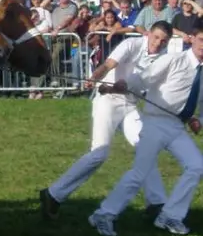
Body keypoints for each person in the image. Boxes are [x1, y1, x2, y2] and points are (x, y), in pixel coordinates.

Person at [40, 21, 172, 219]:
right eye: (156, 37)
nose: (158, 43)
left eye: (164, 41)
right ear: (149, 35)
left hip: (130, 105)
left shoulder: (163, 58)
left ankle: (156, 203)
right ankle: (53, 194)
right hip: (108, 101)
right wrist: (94, 77)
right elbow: (109, 64)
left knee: (146, 147)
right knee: (99, 154)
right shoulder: (131, 45)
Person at [87, 18, 203, 236]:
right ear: (193, 39)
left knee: (197, 165)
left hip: (177, 128)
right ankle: (103, 215)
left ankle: (170, 216)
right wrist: (123, 86)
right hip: (155, 123)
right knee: (139, 174)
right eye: (201, 40)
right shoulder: (173, 60)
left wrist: (198, 120)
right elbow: (144, 78)